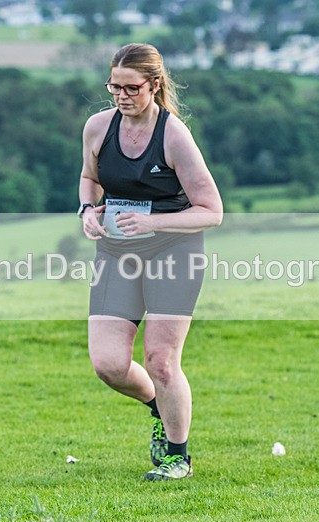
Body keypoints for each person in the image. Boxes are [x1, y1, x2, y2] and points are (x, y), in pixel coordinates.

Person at [77, 43, 223, 479]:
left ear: (153, 85)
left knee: (161, 360)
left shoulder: (174, 135)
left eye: (130, 88)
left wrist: (153, 220)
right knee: (108, 364)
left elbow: (212, 211)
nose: (120, 96)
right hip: (116, 252)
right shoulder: (98, 128)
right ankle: (158, 406)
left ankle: (178, 457)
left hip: (173, 251)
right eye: (113, 87)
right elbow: (89, 179)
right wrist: (87, 211)